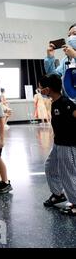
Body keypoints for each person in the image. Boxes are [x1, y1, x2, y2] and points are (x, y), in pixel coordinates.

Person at [39, 74, 76, 216]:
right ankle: (58, 193)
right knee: (50, 167)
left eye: (41, 88)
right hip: (58, 143)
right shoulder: (55, 102)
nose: (39, 90)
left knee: (68, 173)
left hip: (68, 144)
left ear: (47, 89)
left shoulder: (66, 103)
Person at [45, 23, 76, 101]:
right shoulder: (66, 60)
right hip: (70, 104)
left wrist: (75, 55)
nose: (70, 38)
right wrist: (50, 58)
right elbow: (53, 77)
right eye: (69, 36)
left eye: (74, 34)